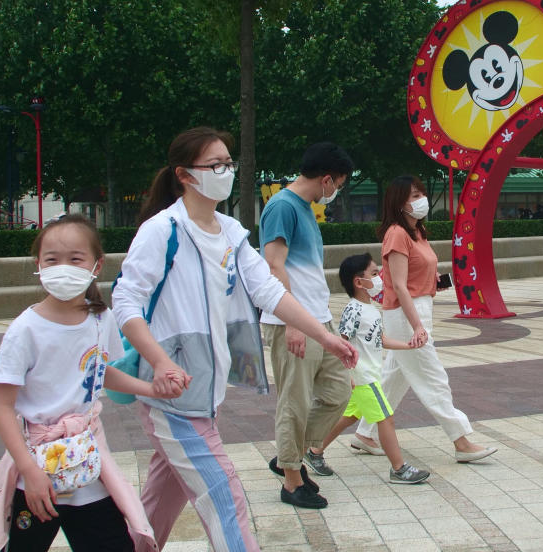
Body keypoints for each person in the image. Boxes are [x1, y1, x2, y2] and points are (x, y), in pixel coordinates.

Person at [112, 128, 357, 550]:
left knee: (160, 498)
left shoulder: (230, 232)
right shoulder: (162, 230)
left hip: (205, 392)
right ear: (185, 175)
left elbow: (269, 291)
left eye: (229, 163)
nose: (225, 172)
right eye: (215, 165)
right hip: (169, 394)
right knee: (226, 497)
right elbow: (125, 301)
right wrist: (162, 362)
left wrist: (326, 337)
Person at [0, 215, 173, 552]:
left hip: (87, 468)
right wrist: (29, 471)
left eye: (75, 259)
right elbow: (2, 406)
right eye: (52, 259)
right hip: (37, 471)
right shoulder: (25, 330)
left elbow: (100, 372)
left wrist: (150, 389)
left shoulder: (102, 318)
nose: (63, 268)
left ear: (96, 264)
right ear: (38, 265)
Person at [352, 175, 497, 462]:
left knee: (394, 377)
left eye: (421, 193)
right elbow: (400, 284)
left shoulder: (417, 232)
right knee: (433, 378)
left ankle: (365, 433)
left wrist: (434, 284)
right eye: (414, 196)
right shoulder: (396, 234)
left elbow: (417, 275)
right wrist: (417, 325)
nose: (421, 200)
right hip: (407, 315)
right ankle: (461, 441)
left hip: (418, 308)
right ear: (399, 202)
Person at [259, 141, 356, 509]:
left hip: (318, 320)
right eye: (340, 184)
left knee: (338, 393)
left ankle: (288, 456)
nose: (337, 192)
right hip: (293, 323)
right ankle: (292, 480)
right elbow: (274, 265)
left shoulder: (303, 207)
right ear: (327, 179)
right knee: (295, 402)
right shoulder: (283, 206)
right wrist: (293, 322)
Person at [314, 254, 430, 484]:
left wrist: (407, 345)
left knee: (349, 416)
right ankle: (399, 469)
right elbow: (341, 342)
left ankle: (314, 451)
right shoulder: (354, 310)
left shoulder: (370, 309)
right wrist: (347, 375)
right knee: (385, 418)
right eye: (374, 274)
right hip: (363, 377)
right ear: (358, 282)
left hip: (365, 376)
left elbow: (379, 339)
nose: (379, 279)